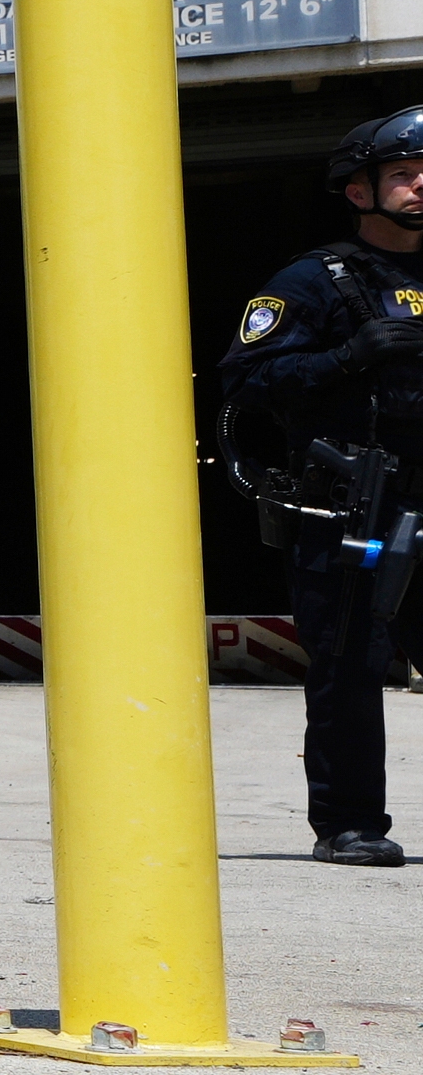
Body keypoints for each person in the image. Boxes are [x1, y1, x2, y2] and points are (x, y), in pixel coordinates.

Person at [218, 108, 423, 866]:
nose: (420, 185)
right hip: (355, 504)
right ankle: (348, 824)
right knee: (349, 665)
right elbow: (244, 380)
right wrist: (347, 359)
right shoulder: (315, 281)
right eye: (403, 174)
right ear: (359, 190)